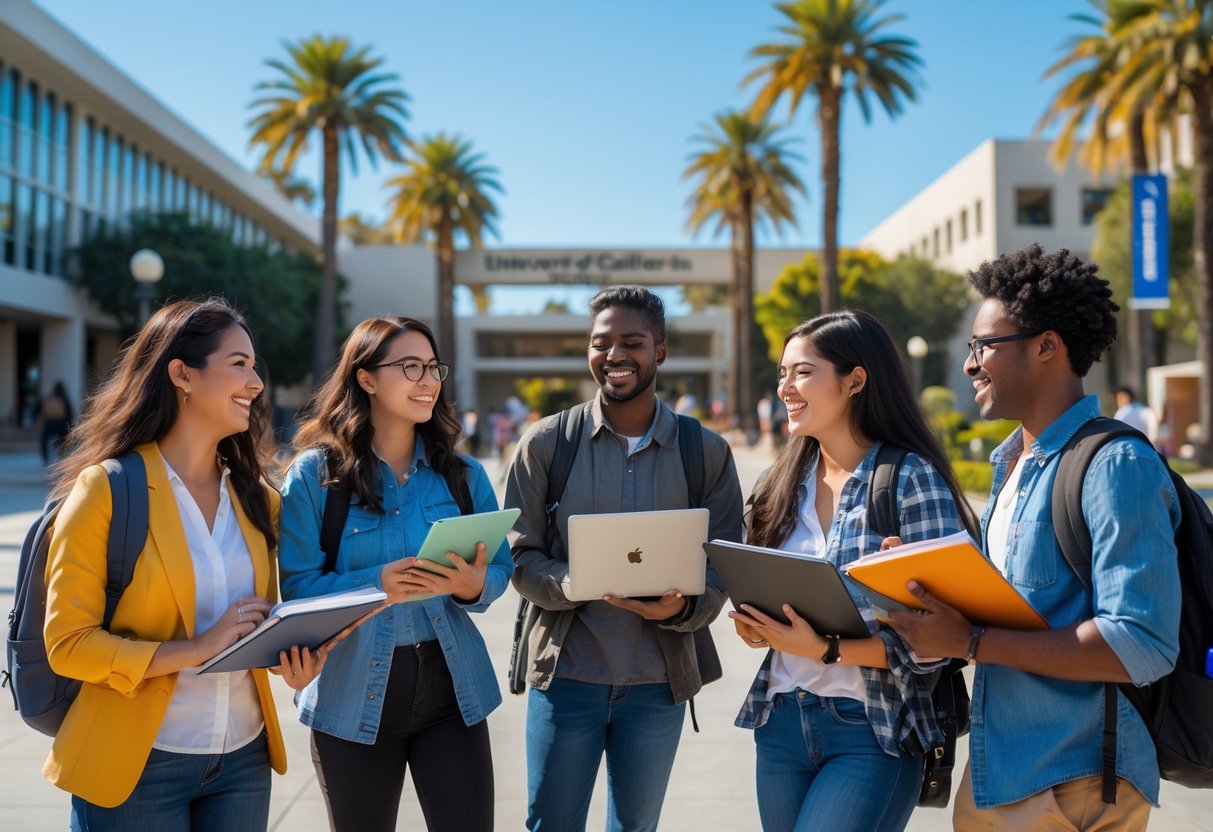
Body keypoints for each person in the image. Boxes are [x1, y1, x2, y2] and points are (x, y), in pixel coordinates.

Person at [888, 245, 1180, 830]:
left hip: (1077, 781)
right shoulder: (1013, 465)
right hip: (999, 773)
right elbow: (1015, 617)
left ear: (1047, 346)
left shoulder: (1115, 464)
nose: (971, 364)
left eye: (983, 346)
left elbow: (1142, 641)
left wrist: (970, 641)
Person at [42, 298, 327, 830]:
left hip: (243, 760)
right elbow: (67, 644)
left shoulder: (258, 500)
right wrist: (195, 649)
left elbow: (252, 627)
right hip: (138, 763)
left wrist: (289, 658)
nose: (257, 382)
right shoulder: (107, 489)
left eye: (254, 366)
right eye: (239, 364)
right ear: (181, 374)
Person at [730, 309, 980, 832]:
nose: (784, 388)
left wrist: (824, 649)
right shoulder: (782, 484)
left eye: (801, 372)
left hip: (870, 732)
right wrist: (762, 628)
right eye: (782, 373)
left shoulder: (910, 480)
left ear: (855, 381)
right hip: (779, 724)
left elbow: (940, 644)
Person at [505, 286, 744, 832]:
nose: (614, 356)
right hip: (565, 677)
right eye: (600, 343)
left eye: (631, 342)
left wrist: (684, 609)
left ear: (659, 350)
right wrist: (573, 581)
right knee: (551, 824)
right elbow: (519, 556)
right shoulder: (546, 443)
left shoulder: (703, 450)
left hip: (657, 684)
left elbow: (724, 561)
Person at [278, 316, 512, 832]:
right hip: (350, 697)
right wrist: (375, 586)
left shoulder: (465, 475)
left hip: (453, 693)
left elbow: (498, 568)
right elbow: (295, 592)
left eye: (433, 367)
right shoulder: (316, 476)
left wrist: (473, 586)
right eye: (410, 367)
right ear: (365, 378)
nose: (428, 380)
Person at [37, 379, 73, 463]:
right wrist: (70, 426)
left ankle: (45, 458)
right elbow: (69, 415)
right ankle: (63, 456)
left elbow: (39, 409)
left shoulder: (49, 399)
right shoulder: (64, 399)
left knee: (44, 441)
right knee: (64, 439)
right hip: (61, 425)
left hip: (49, 424)